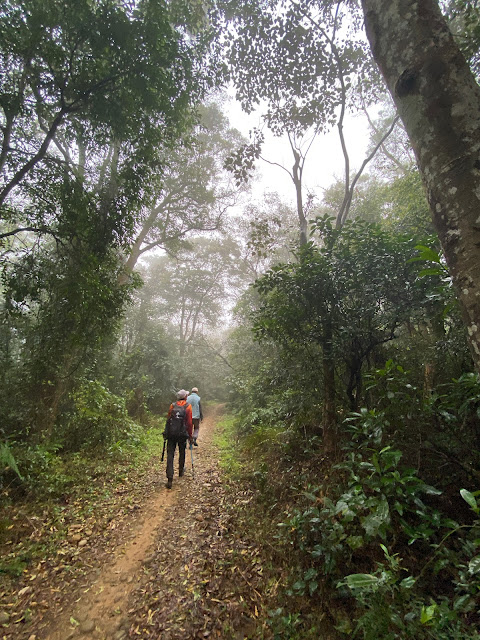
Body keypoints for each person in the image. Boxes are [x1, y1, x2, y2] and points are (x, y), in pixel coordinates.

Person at [163, 389, 193, 489]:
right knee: (182, 451)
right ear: (185, 397)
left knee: (170, 454)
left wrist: (166, 432)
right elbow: (189, 423)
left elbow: (168, 419)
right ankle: (180, 470)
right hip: (182, 434)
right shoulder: (188, 406)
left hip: (171, 434)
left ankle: (170, 478)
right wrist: (190, 435)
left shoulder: (172, 405)